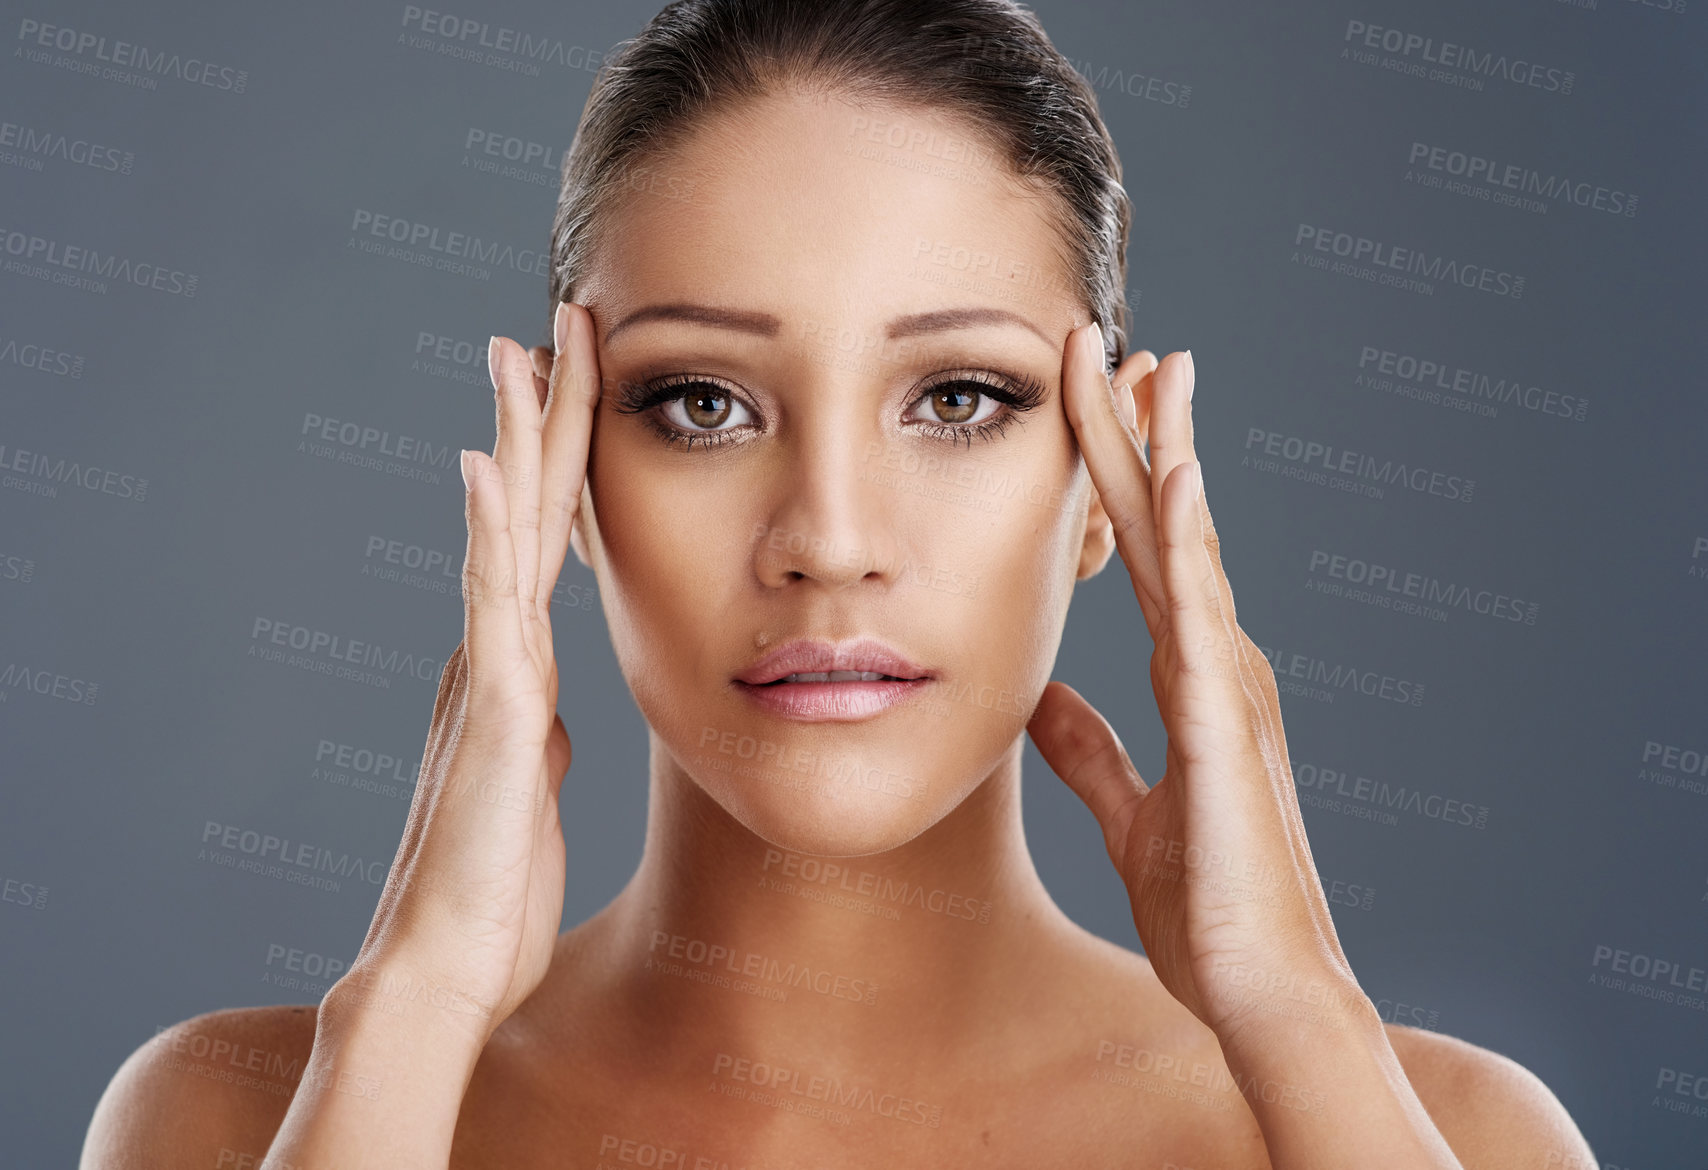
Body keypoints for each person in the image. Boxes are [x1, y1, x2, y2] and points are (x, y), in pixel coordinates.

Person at [82, 1, 1598, 1166]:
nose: (828, 534)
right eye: (703, 401)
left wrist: (1297, 1015)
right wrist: (407, 1011)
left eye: (957, 399)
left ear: (1108, 479)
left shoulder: (1447, 1129)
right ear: (563, 471)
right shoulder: (237, 1118)